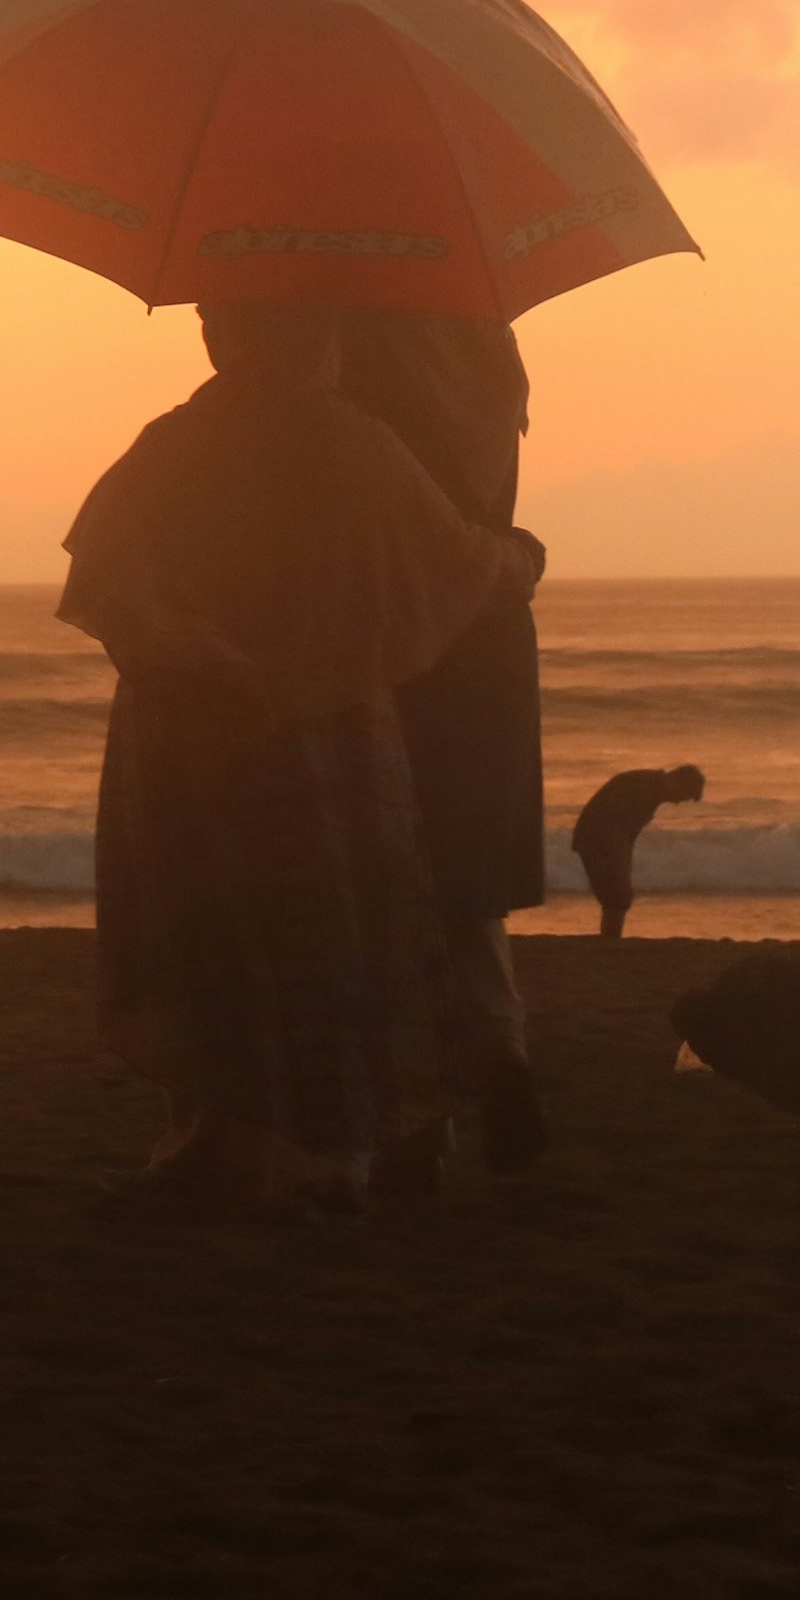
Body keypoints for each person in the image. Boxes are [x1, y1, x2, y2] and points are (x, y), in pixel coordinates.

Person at [63, 300, 542, 1216]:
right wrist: (519, 558)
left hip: (188, 741)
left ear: (223, 338)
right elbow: (456, 563)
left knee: (202, 937)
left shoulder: (175, 443)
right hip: (330, 741)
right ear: (320, 341)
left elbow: (107, 582)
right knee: (344, 940)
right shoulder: (354, 444)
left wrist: (200, 657)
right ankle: (349, 1155)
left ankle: (215, 1146)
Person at [334, 308, 550, 1174]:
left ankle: (422, 1125)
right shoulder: (489, 348)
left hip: (398, 625)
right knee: (466, 887)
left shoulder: (364, 354)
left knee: (383, 883)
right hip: (489, 631)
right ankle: (498, 1052)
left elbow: (367, 509)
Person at [570, 765, 705, 936]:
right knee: (618, 896)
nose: (678, 802)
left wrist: (624, 862)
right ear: (677, 782)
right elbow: (618, 829)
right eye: (684, 795)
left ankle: (610, 939)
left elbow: (627, 833)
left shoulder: (651, 787)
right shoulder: (644, 789)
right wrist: (620, 863)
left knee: (617, 896)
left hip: (601, 838)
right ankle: (610, 941)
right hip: (595, 838)